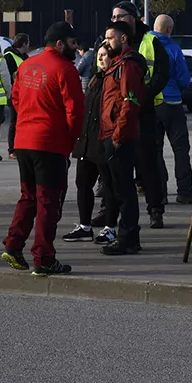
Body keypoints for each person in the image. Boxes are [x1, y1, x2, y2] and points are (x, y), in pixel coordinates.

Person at [2, 22, 85, 274]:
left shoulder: (27, 65)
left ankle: (14, 245)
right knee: (48, 202)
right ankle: (44, 258)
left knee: (28, 196)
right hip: (49, 144)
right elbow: (76, 109)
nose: (75, 48)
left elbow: (15, 98)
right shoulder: (65, 69)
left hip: (24, 141)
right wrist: (72, 139)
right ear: (59, 44)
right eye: (72, 43)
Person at [110, 2, 170, 228]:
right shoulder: (109, 40)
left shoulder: (151, 41)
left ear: (133, 18)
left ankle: (155, 209)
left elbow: (162, 74)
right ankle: (111, 211)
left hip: (143, 111)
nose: (116, 20)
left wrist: (144, 95)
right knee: (115, 165)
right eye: (113, 16)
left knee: (147, 163)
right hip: (117, 112)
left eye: (120, 16)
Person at [95, 20, 147, 257]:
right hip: (110, 134)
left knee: (125, 190)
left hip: (120, 137)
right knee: (118, 188)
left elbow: (130, 102)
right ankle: (127, 236)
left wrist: (117, 135)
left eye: (111, 37)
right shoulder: (115, 65)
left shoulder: (127, 66)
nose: (107, 42)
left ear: (123, 38)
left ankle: (128, 238)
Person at [63, 44, 118, 246]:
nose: (101, 59)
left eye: (105, 56)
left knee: (108, 186)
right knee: (83, 184)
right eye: (99, 56)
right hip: (87, 141)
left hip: (104, 140)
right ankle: (84, 226)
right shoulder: (96, 79)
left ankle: (110, 228)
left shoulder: (115, 79)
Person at [152, 14, 192, 204]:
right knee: (180, 149)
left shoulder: (146, 47)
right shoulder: (174, 49)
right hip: (173, 104)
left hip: (152, 104)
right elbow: (184, 80)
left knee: (155, 150)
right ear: (169, 29)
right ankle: (184, 191)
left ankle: (159, 191)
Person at [1, 33, 31, 159]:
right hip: (15, 93)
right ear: (24, 44)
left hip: (26, 93)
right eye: (28, 43)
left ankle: (23, 147)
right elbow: (8, 76)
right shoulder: (9, 57)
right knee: (14, 122)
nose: (29, 45)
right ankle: (12, 150)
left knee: (24, 122)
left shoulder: (25, 57)